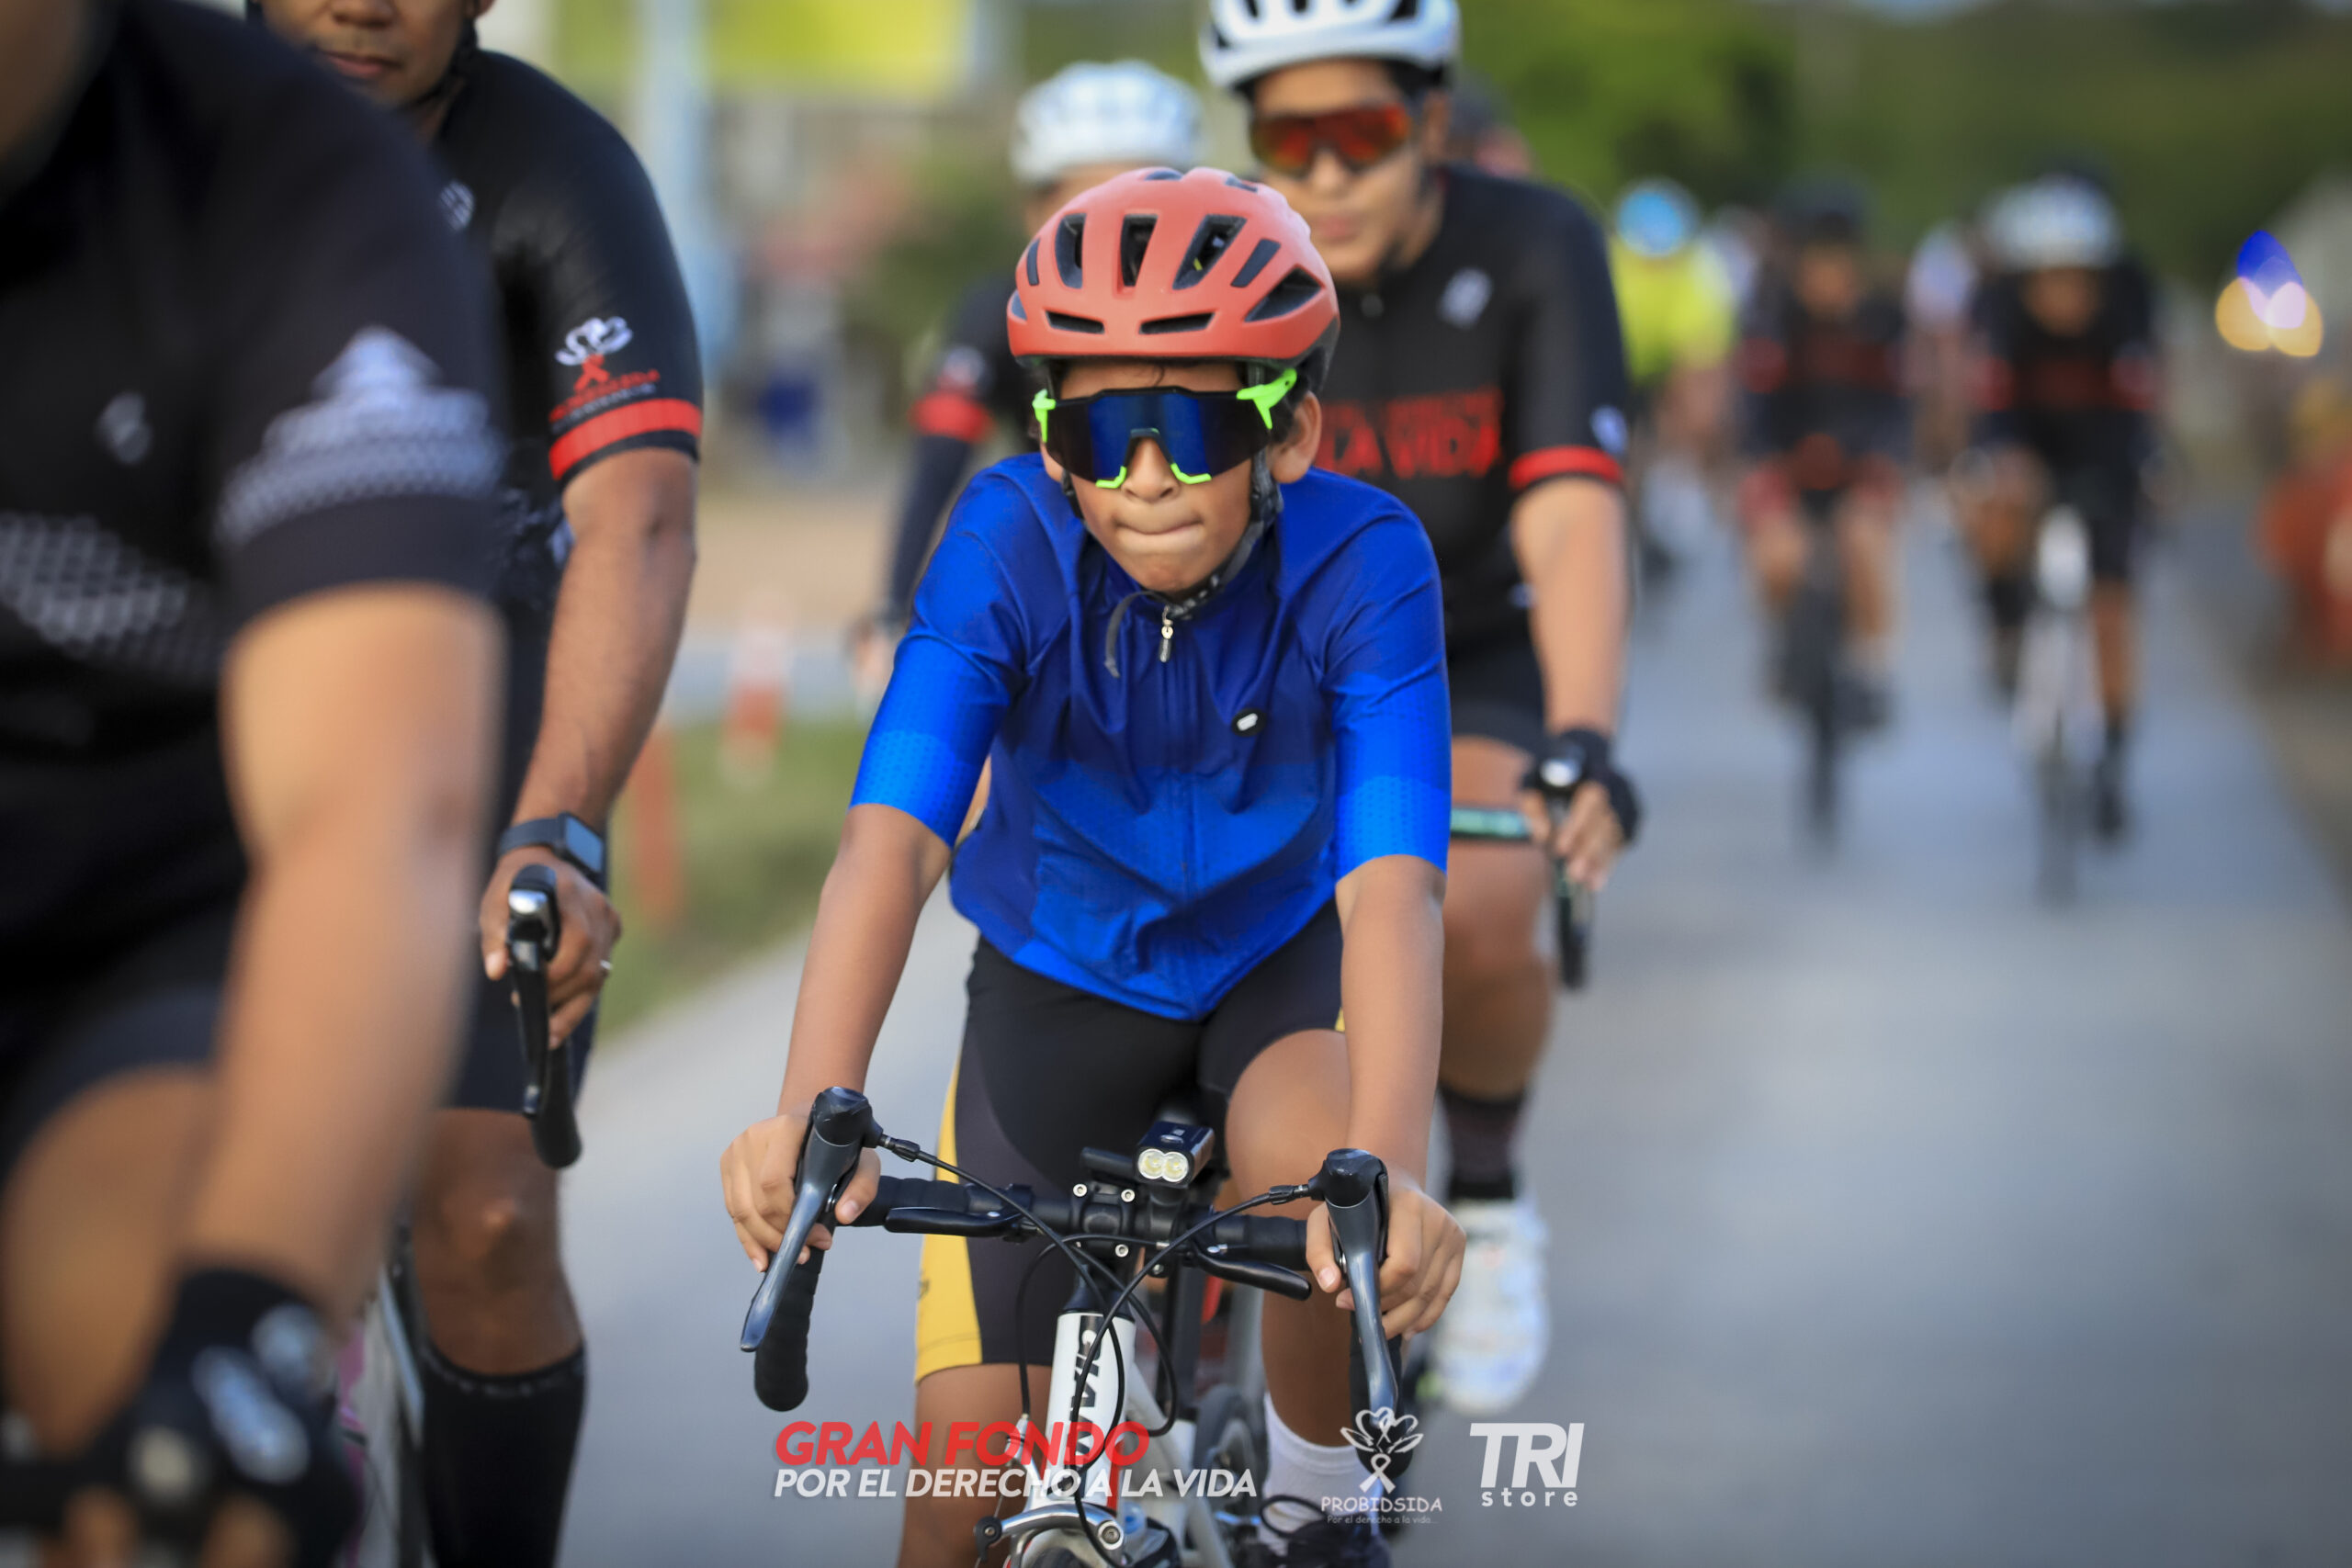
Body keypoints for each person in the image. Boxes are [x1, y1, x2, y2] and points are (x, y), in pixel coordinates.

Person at [721, 168, 1465, 1568]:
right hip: (1055, 982)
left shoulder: (1369, 559)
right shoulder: (1007, 535)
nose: (1145, 478)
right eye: (1098, 429)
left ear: (1292, 428)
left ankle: (1322, 1498)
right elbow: (893, 836)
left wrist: (1398, 1173)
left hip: (1274, 973)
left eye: (1196, 427)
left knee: (1328, 1184)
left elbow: (1392, 882)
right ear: (1048, 436)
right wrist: (811, 1106)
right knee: (957, 1508)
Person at [0, 2, 507, 1563]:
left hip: (156, 914)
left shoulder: (294, 180)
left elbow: (375, 816)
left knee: (174, 1434)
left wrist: (244, 1309)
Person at [251, 3, 703, 1562]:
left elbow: (638, 515)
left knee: (490, 1213)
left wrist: (558, 826)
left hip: (478, 724)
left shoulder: (557, 167)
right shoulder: (141, 141)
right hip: (210, 707)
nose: (359, 4)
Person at [1201, 0, 1640, 1417]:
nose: (1326, 173)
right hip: (1256, 659)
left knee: (1489, 895)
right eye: (1290, 139)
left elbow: (1572, 509)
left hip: (1465, 653)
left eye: (1364, 131)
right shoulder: (1210, 252)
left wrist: (1584, 738)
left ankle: (1491, 1194)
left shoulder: (1535, 246)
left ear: (1432, 122)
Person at [872, 60, 1203, 642]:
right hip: (1063, 580)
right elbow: (936, 466)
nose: (1113, 228)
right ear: (1034, 213)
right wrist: (893, 608)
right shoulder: (995, 313)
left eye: (1139, 204)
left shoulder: (1235, 306)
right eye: (1084, 206)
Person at [1957, 172, 2158, 838]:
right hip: (2030, 460)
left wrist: (2144, 478)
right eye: (2048, 279)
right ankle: (2006, 627)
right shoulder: (2004, 325)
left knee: (2112, 612)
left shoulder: (2124, 327)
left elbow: (2138, 423)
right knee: (1992, 505)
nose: (2062, 295)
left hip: (2105, 466)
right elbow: (1991, 415)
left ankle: (2114, 760)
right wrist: (2005, 465)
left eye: (2076, 279)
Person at [1734, 179, 1909, 725]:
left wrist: (1877, 459)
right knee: (1778, 555)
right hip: (1787, 466)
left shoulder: (1883, 321)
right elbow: (1753, 410)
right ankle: (1787, 641)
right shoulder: (1770, 316)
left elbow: (1898, 407)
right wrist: (1767, 464)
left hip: (1860, 467)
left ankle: (1871, 667)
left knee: (1865, 542)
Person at [1611, 177, 1739, 577]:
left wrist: (1692, 434)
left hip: (1665, 365)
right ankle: (1627, 512)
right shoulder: (1608, 262)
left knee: (1695, 413)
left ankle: (1679, 490)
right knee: (1616, 446)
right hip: (1616, 361)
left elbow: (1702, 366)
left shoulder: (1701, 274)